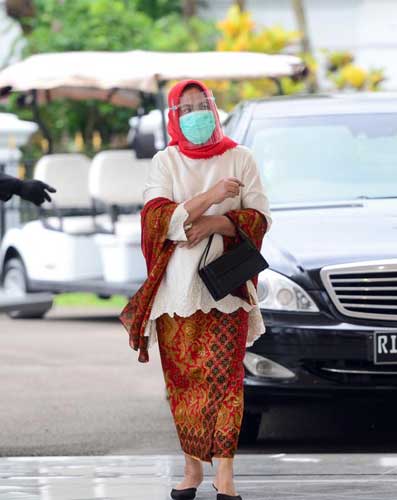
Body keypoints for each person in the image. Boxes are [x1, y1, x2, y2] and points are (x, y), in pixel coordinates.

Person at [119, 79, 271, 500]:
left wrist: (216, 223)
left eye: (201, 105)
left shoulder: (241, 158)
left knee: (226, 382)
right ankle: (191, 469)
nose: (196, 115)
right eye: (185, 109)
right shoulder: (165, 162)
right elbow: (158, 218)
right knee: (185, 383)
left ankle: (225, 474)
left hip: (227, 291)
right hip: (176, 294)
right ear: (174, 117)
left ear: (214, 107)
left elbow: (260, 218)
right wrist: (213, 197)